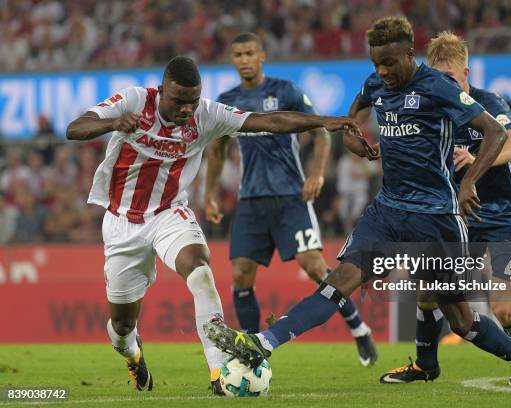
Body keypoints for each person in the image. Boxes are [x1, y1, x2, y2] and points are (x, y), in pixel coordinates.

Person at [204, 17, 511, 393]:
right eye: (376, 63)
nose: (382, 71)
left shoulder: (439, 87)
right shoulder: (375, 84)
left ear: (409, 54)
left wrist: (468, 181)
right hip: (386, 212)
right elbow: (354, 120)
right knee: (337, 283)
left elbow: (497, 132)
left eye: (389, 63)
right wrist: (355, 141)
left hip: (435, 219)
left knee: (461, 321)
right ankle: (262, 343)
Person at [66, 56, 364, 395]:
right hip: (122, 222)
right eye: (178, 100)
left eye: (192, 100)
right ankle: (133, 354)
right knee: (121, 327)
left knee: (200, 269)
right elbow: (75, 129)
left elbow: (270, 121)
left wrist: (325, 121)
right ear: (161, 90)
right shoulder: (135, 101)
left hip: (169, 214)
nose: (185, 108)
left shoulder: (206, 114)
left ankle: (219, 374)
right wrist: (115, 122)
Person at [205, 32, 377, 366]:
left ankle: (359, 329)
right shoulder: (227, 99)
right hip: (251, 200)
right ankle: (253, 352)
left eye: (249, 53)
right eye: (238, 54)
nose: (243, 60)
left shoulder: (286, 91)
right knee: (241, 274)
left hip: (290, 197)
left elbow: (320, 132)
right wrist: (211, 195)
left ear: (262, 55)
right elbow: (217, 150)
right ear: (233, 59)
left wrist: (317, 173)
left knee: (314, 266)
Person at [379, 31, 511, 386]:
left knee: (504, 309)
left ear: (467, 73)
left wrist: (476, 159)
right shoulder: (431, 111)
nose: (445, 85)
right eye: (438, 78)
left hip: (505, 213)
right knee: (429, 292)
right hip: (461, 216)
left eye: (452, 78)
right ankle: (424, 366)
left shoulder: (488, 103)